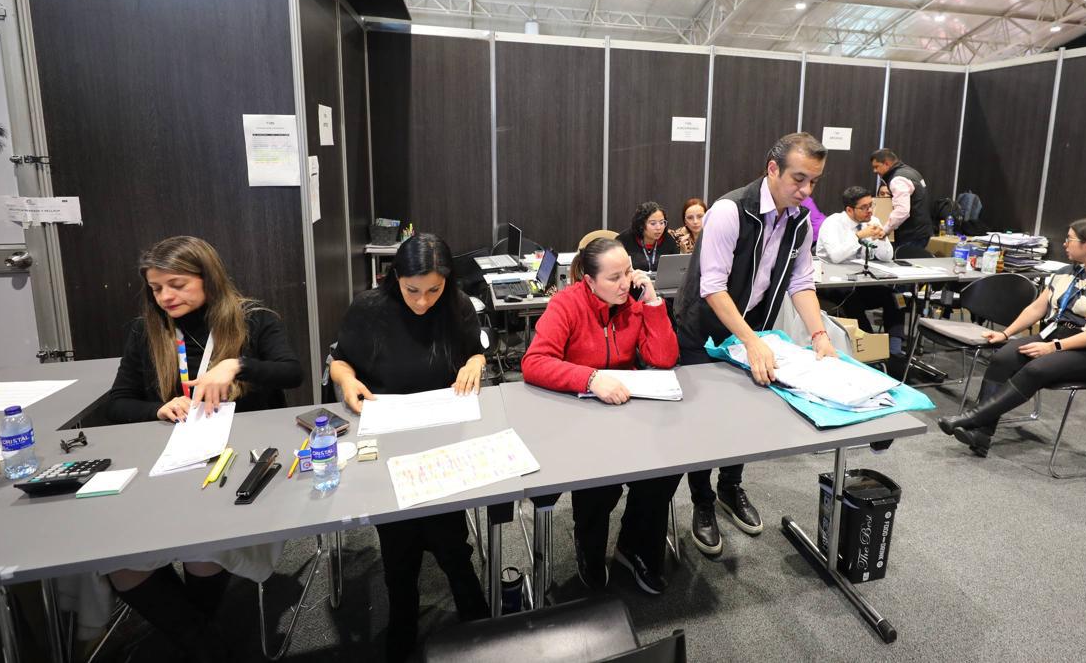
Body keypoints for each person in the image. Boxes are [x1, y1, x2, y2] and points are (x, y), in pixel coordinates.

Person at [105, 235, 303, 660]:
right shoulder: (146, 331)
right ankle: (205, 643)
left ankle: (199, 643)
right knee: (119, 562)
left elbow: (292, 372)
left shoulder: (255, 320)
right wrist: (158, 408)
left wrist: (238, 364)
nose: (165, 297)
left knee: (203, 552)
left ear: (208, 278)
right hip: (171, 465)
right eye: (156, 288)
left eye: (176, 284)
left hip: (239, 467)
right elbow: (118, 402)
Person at [674, 132, 838, 556]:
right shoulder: (730, 211)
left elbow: (801, 282)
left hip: (752, 330)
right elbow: (713, 286)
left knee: (744, 415)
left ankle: (730, 487)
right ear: (772, 169)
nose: (806, 190)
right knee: (704, 420)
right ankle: (703, 502)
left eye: (814, 182)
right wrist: (749, 342)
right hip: (702, 330)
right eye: (799, 179)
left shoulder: (800, 221)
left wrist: (820, 336)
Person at [329, 234, 487, 656]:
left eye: (433, 290)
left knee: (449, 538)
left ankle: (472, 609)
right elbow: (339, 360)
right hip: (387, 434)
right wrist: (347, 380)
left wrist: (475, 362)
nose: (422, 301)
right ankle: (403, 612)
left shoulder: (456, 305)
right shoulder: (369, 309)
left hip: (443, 433)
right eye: (412, 290)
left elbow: (475, 351)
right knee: (398, 546)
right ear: (395, 277)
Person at [521, 237, 681, 594]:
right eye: (614, 277)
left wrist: (653, 302)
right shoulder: (566, 304)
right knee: (599, 485)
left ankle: (634, 546)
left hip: (628, 412)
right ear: (589, 281)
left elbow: (664, 358)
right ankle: (589, 546)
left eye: (628, 272)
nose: (625, 283)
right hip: (581, 415)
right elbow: (534, 362)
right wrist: (590, 378)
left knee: (664, 472)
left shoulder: (633, 304)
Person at [937, 217, 1086, 457]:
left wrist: (1054, 347)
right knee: (1003, 358)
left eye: (1070, 239)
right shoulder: (1065, 274)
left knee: (1035, 369)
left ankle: (972, 419)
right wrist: (1005, 333)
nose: (1064, 243)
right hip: (1054, 336)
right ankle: (982, 434)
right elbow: (1036, 308)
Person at [816, 185, 907, 374]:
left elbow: (886, 257)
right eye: (864, 207)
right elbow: (836, 256)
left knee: (895, 297)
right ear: (850, 210)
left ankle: (894, 350)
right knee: (852, 299)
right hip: (833, 283)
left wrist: (881, 239)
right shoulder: (833, 224)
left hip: (862, 280)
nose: (870, 211)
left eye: (871, 205)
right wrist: (858, 236)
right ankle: (870, 351)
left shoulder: (873, 221)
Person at [869, 148, 933, 256]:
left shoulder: (897, 180)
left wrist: (885, 230)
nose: (874, 171)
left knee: (905, 264)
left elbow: (902, 211)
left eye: (876, 166)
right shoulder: (911, 172)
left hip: (911, 233)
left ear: (886, 163)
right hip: (921, 231)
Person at [618, 200, 681, 272]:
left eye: (662, 222)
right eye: (653, 223)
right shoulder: (624, 240)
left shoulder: (668, 240)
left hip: (661, 279)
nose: (659, 228)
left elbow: (676, 268)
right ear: (641, 225)